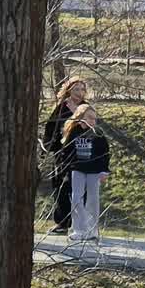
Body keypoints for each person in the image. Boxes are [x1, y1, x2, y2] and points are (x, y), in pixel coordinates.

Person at [58, 103, 111, 244]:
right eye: (89, 118)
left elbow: (105, 153)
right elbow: (66, 152)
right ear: (80, 117)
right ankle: (79, 230)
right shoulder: (73, 132)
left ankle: (92, 231)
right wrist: (65, 171)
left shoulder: (98, 133)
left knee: (93, 200)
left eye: (94, 118)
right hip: (78, 170)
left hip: (94, 171)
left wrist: (105, 170)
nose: (93, 121)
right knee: (76, 199)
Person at [43, 77, 89, 235]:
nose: (80, 92)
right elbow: (50, 127)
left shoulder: (86, 108)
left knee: (79, 189)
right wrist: (48, 147)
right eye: (76, 89)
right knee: (60, 187)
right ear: (69, 90)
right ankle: (62, 223)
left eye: (82, 89)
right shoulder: (61, 108)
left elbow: (92, 128)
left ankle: (80, 224)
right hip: (62, 154)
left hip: (81, 154)